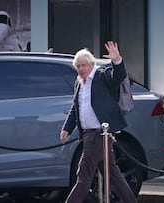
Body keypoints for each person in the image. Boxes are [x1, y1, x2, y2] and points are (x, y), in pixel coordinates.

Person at [60, 41, 137, 203]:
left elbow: (117, 77)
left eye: (83, 65)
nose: (80, 69)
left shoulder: (101, 75)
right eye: (78, 66)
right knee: (113, 175)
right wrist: (66, 128)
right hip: (90, 134)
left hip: (98, 135)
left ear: (91, 64)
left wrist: (117, 60)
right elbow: (76, 108)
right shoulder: (79, 83)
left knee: (83, 176)